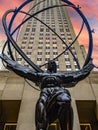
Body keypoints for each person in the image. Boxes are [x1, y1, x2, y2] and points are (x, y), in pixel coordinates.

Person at [0, 54, 94, 130]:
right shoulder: (40, 75)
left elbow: (79, 74)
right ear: (47, 66)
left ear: (55, 67)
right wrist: (8, 60)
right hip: (45, 94)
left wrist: (89, 65)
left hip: (58, 91)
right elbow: (23, 70)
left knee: (65, 100)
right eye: (50, 63)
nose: (51, 64)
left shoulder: (61, 75)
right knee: (41, 111)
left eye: (53, 63)